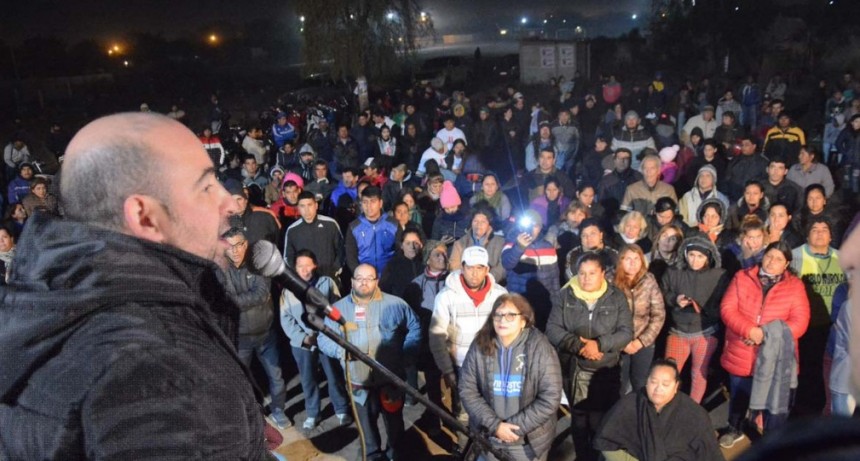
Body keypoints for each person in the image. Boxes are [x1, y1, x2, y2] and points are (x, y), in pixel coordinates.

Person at [0, 113, 268, 458]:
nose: (229, 202)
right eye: (206, 186)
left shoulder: (54, 296)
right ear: (144, 216)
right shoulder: (165, 376)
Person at [318, 264, 421, 461]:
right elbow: (323, 338)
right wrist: (340, 351)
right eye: (359, 278)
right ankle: (373, 457)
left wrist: (406, 354)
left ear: (377, 281)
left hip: (390, 381)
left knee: (395, 427)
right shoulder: (338, 310)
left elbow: (415, 327)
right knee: (367, 431)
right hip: (359, 383)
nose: (364, 282)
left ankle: (395, 455)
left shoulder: (396, 305)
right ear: (352, 281)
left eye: (369, 278)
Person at [719, 242, 810, 447]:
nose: (772, 262)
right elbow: (727, 308)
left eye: (779, 259)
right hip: (742, 349)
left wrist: (765, 334)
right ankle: (735, 427)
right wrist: (749, 330)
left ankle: (771, 441)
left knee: (775, 406)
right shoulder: (742, 277)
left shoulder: (795, 286)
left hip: (776, 356)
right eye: (769, 256)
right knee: (739, 394)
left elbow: (800, 322)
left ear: (786, 264)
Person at [546, 252, 633, 461]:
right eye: (582, 273)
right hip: (574, 368)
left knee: (600, 419)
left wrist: (600, 344)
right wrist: (579, 346)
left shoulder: (616, 296)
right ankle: (582, 455)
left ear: (603, 273)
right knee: (578, 418)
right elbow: (553, 328)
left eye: (592, 273)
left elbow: (626, 332)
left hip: (606, 369)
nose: (586, 278)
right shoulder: (565, 295)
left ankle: (598, 454)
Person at [458, 294, 563, 461]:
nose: (502, 320)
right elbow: (467, 389)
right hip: (489, 438)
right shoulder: (480, 345)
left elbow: (550, 397)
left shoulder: (541, 348)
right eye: (498, 315)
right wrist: (495, 426)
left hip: (526, 444)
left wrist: (513, 429)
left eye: (510, 315)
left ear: (524, 321)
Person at [429, 246, 508, 445]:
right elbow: (437, 336)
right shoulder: (446, 297)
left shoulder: (500, 295)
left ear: (487, 269)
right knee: (463, 411)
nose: (474, 273)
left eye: (480, 267)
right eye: (470, 267)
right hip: (462, 365)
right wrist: (447, 370)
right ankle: (468, 447)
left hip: (494, 364)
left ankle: (490, 449)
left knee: (494, 409)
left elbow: (509, 332)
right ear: (462, 267)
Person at [222, 229, 291, 429]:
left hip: (265, 334)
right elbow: (223, 298)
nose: (234, 251)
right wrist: (238, 300)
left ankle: (279, 410)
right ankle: (249, 416)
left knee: (276, 377)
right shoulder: (222, 269)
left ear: (245, 244)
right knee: (240, 380)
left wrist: (234, 301)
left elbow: (261, 294)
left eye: (238, 245)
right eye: (229, 246)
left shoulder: (257, 264)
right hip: (240, 336)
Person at [593, 359, 724, 461]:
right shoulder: (629, 404)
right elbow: (606, 442)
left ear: (676, 386)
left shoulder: (694, 414)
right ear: (647, 381)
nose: (658, 389)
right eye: (654, 382)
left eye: (665, 384)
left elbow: (710, 454)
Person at [279, 250, 352, 431]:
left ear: (315, 265)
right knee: (308, 379)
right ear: (294, 268)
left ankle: (342, 409)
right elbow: (286, 319)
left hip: (327, 338)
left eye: (308, 265)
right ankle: (313, 413)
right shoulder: (288, 291)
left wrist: (330, 333)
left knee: (333, 375)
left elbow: (337, 310)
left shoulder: (327, 283)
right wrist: (303, 338)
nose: (304, 270)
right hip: (303, 343)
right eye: (300, 266)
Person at [661, 235, 728, 404]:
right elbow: (662, 292)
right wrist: (675, 299)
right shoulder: (674, 272)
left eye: (700, 256)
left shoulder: (719, 276)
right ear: (685, 254)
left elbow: (725, 303)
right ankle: (667, 406)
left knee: (699, 372)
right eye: (691, 255)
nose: (694, 260)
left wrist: (705, 310)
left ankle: (693, 409)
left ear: (708, 257)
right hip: (678, 330)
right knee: (670, 372)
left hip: (705, 331)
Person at [790, 216, 846, 416]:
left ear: (831, 236)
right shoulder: (795, 256)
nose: (820, 232)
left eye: (825, 229)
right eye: (815, 229)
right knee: (807, 370)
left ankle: (828, 408)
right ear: (807, 234)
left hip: (836, 327)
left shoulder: (843, 258)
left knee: (832, 372)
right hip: (807, 326)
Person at [402, 243, 450, 421]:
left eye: (445, 254)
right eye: (437, 254)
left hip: (452, 340)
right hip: (429, 342)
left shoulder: (454, 281)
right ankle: (436, 418)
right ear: (427, 259)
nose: (442, 258)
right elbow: (410, 317)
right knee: (433, 383)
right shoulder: (416, 285)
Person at [614, 245, 666, 396]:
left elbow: (658, 314)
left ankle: (640, 415)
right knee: (619, 384)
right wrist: (622, 342)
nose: (633, 263)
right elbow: (605, 317)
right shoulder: (610, 281)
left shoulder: (649, 280)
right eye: (628, 259)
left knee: (640, 383)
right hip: (617, 343)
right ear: (620, 261)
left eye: (637, 259)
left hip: (643, 342)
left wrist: (641, 341)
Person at [502, 210, 561, 331]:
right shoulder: (511, 243)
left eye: (536, 225)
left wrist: (556, 305)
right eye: (529, 225)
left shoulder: (548, 247)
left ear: (540, 228)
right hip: (518, 302)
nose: (532, 229)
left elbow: (554, 278)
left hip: (543, 303)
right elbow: (507, 263)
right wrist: (519, 247)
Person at [283, 190, 343, 282]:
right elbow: (288, 257)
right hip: (304, 281)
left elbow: (341, 249)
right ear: (298, 208)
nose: (306, 210)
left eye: (309, 205)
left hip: (330, 278)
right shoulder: (292, 230)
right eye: (302, 206)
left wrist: (335, 270)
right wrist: (299, 273)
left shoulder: (330, 224)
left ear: (316, 205)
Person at [345, 185, 397, 275]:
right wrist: (359, 274)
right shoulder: (354, 227)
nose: (369, 206)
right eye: (365, 202)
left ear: (380, 203)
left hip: (389, 276)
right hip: (364, 278)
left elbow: (399, 252)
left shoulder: (393, 224)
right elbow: (351, 256)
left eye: (373, 201)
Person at [450, 205, 506, 284]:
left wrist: (485, 282)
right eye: (475, 221)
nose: (479, 225)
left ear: (489, 224)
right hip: (465, 285)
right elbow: (454, 267)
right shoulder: (459, 243)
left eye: (483, 221)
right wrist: (469, 282)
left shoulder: (500, 242)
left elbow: (502, 267)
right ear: (471, 223)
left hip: (492, 284)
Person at [565, 217, 620, 282]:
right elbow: (570, 278)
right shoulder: (573, 255)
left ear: (601, 235)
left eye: (593, 234)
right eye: (584, 235)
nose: (589, 238)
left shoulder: (613, 255)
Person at [380, 228, 425, 298]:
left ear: (421, 245)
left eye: (415, 243)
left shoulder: (425, 265)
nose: (412, 247)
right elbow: (384, 290)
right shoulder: (392, 266)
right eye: (408, 243)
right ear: (401, 245)